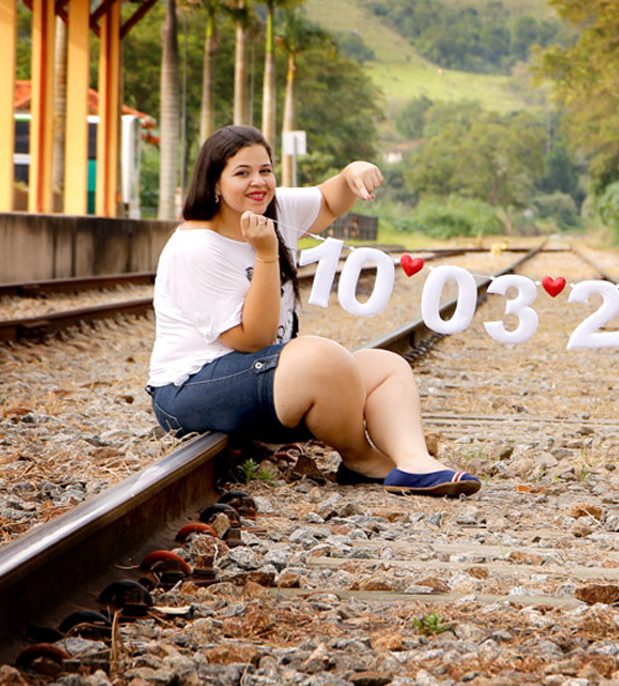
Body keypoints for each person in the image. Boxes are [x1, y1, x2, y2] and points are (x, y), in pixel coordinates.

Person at [147, 125, 480, 497]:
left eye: (265, 170)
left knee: (387, 367)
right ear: (215, 185)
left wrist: (350, 173)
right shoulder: (196, 248)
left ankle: (415, 463)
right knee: (319, 356)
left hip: (266, 384)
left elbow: (328, 202)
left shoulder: (273, 208)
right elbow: (253, 339)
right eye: (242, 173)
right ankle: (362, 458)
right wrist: (266, 254)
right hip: (190, 391)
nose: (258, 181)